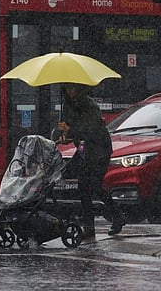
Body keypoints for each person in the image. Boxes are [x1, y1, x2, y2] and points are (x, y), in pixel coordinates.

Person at [57, 83, 124, 239]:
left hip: (99, 149)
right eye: (68, 89)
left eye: (73, 88)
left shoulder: (90, 106)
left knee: (95, 185)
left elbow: (89, 130)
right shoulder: (68, 105)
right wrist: (65, 136)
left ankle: (117, 215)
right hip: (85, 150)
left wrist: (70, 130)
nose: (70, 92)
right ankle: (89, 227)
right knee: (83, 188)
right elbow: (73, 129)